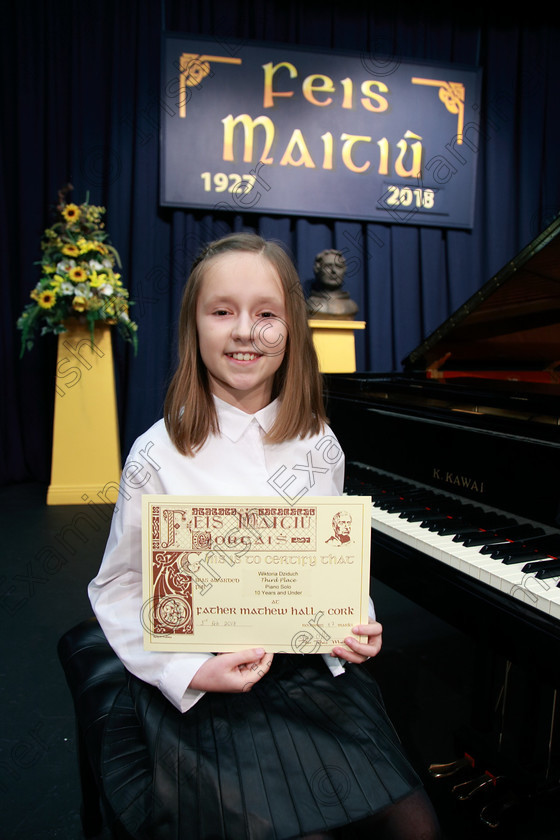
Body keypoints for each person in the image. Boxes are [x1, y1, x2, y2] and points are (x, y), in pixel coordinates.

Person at [89, 232, 440, 840]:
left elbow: (330, 559)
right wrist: (192, 673)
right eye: (222, 311)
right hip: (210, 686)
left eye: (267, 314)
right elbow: (119, 587)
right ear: (193, 328)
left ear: (291, 330)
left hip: (305, 675)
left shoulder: (319, 442)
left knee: (417, 828)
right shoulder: (157, 453)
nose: (245, 331)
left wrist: (355, 620)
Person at [306, 250, 359, 318]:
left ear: (344, 270)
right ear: (317, 270)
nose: (333, 271)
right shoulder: (310, 305)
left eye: (338, 266)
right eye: (328, 266)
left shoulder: (351, 306)